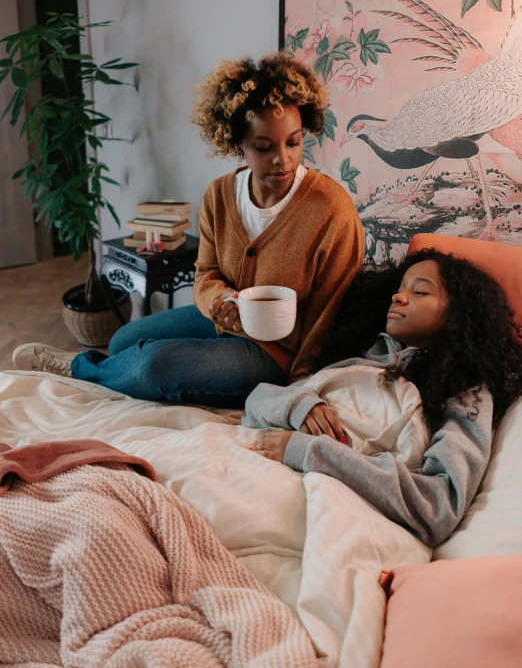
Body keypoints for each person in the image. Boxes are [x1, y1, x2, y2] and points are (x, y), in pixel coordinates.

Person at [12, 53, 364, 407]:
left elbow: (328, 311)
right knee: (122, 340)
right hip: (224, 323)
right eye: (264, 147)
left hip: (277, 354)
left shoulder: (330, 209)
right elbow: (206, 274)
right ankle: (117, 368)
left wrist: (299, 385)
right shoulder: (220, 195)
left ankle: (79, 370)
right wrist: (218, 301)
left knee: (154, 364)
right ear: (237, 142)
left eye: (293, 142)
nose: (283, 159)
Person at [242, 249, 522, 546]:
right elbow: (255, 403)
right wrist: (299, 406)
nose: (398, 297)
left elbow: (439, 506)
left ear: (457, 317)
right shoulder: (365, 358)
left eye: (420, 291)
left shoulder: (467, 391)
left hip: (323, 491)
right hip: (263, 459)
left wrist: (311, 452)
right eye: (399, 289)